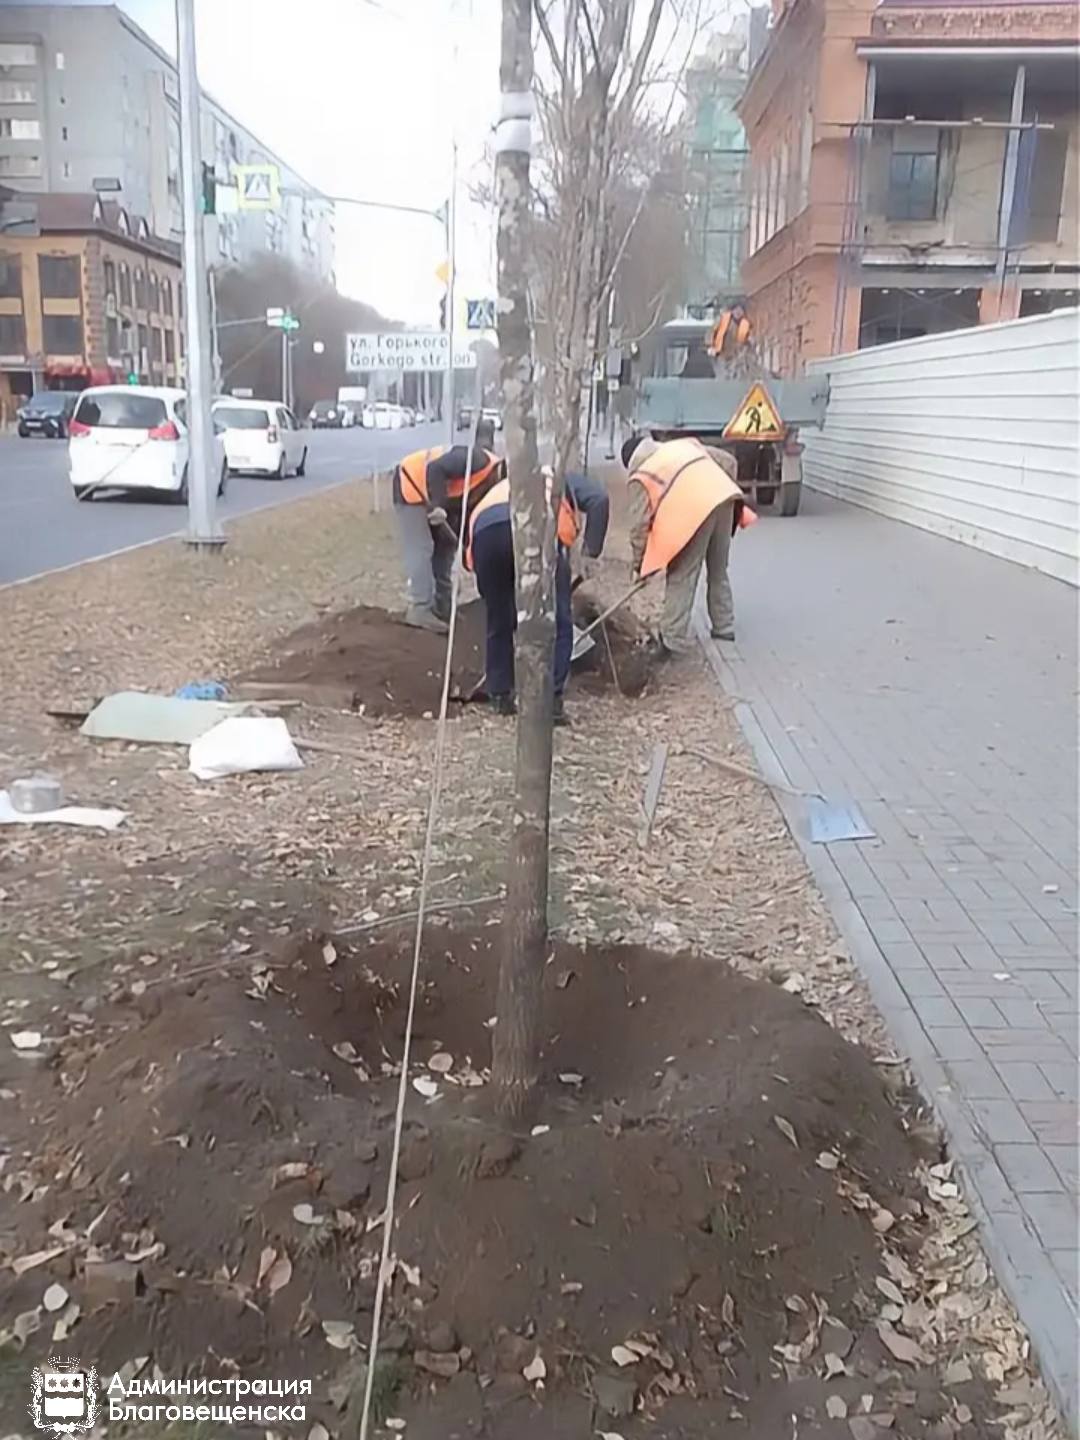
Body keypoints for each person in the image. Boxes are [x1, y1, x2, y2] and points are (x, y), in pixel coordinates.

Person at [465, 469, 610, 724]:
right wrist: (590, 554)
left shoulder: (502, 487)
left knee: (499, 619)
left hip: (485, 535)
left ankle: (500, 694)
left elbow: (472, 562)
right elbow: (599, 500)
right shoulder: (561, 477)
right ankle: (550, 701)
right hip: (536, 525)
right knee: (559, 621)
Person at [622, 433, 755, 654]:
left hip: (697, 509)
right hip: (726, 499)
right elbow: (729, 462)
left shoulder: (642, 473)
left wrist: (640, 566)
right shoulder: (680, 447)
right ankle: (724, 627)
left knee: (681, 573)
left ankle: (672, 640)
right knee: (718, 570)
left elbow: (639, 525)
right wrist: (721, 490)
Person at [392, 442, 502, 630]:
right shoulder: (477, 460)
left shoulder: (490, 486)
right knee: (422, 548)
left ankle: (443, 606)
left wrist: (468, 549)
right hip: (411, 484)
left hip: (439, 495)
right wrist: (439, 505)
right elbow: (436, 468)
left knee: (446, 547)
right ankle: (419, 609)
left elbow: (467, 514)